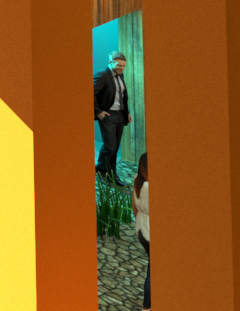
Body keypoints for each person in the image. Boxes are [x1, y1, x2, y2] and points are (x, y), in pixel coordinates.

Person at [94, 51, 132, 184]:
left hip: (120, 116)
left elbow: (122, 96)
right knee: (110, 147)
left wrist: (126, 112)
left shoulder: (120, 74)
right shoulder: (102, 75)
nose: (122, 68)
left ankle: (112, 173)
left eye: (124, 66)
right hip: (108, 116)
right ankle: (100, 171)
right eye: (119, 65)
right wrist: (99, 112)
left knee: (114, 147)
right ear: (110, 62)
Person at [133, 152, 150, 310]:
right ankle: (147, 306)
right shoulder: (151, 187)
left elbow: (134, 207)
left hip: (140, 227)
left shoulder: (137, 181)